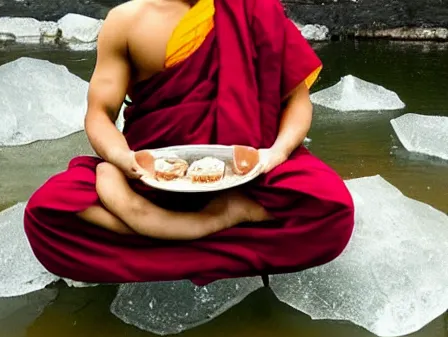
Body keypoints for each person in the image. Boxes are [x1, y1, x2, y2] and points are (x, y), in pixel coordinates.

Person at [24, 0, 354, 286]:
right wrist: (122, 157)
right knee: (47, 213)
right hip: (154, 177)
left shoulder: (256, 8)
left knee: (332, 209)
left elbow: (298, 100)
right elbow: (99, 112)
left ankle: (162, 230)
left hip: (250, 177)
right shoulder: (127, 20)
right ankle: (206, 225)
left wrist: (276, 153)